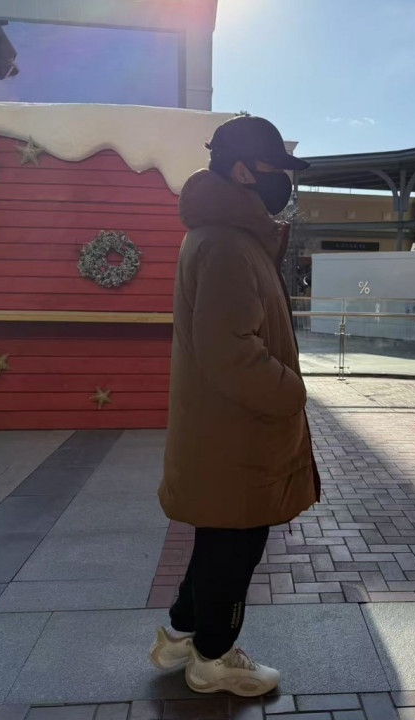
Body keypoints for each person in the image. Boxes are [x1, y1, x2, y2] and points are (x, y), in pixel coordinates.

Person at [153, 116, 320, 697]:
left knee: (217, 538)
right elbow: (230, 351)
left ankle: (182, 634)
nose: (284, 183)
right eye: (276, 170)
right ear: (245, 171)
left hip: (222, 432)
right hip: (237, 436)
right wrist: (292, 390)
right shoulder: (227, 243)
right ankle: (214, 658)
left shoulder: (224, 236)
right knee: (236, 545)